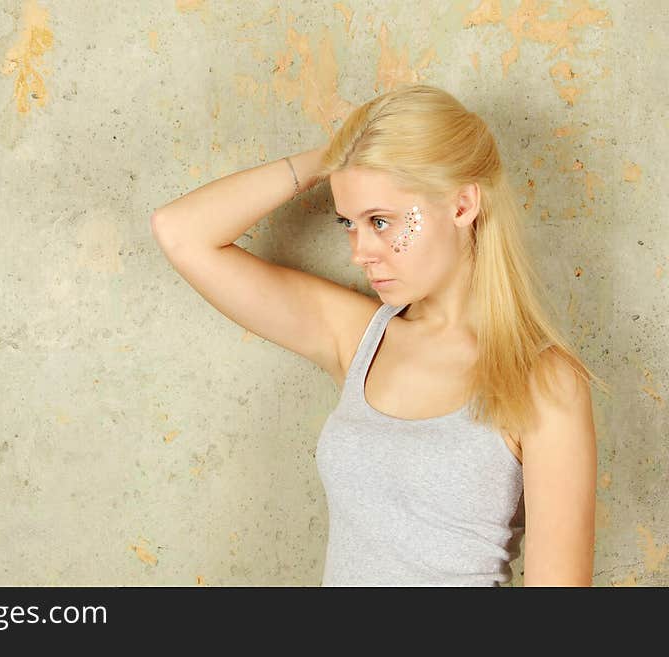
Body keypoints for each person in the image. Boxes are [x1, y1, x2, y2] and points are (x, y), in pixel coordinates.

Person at [150, 84, 609, 586]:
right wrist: (339, 156)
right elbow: (180, 231)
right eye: (349, 221)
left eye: (382, 221)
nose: (360, 251)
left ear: (462, 206)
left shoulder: (543, 381)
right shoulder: (359, 338)